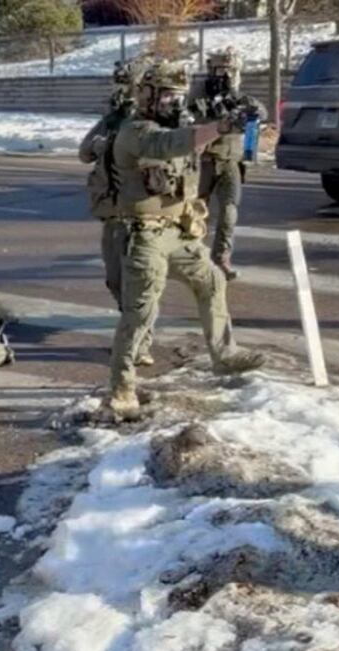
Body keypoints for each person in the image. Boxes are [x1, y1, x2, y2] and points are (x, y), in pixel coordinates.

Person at [107, 60, 265, 419]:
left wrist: (236, 114)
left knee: (212, 280)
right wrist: (221, 126)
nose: (173, 104)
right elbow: (169, 144)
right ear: (146, 96)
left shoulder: (178, 123)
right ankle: (120, 389)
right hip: (143, 235)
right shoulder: (136, 131)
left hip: (178, 233)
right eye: (165, 96)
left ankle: (224, 355)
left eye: (177, 96)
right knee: (140, 312)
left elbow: (201, 141)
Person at [80, 58, 156, 366]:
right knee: (115, 281)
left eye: (128, 85)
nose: (123, 91)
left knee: (139, 283)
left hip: (140, 215)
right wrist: (105, 140)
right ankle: (134, 331)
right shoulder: (113, 119)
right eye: (119, 84)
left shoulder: (151, 122)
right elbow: (84, 152)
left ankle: (139, 343)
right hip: (112, 214)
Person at [190, 48, 267, 280]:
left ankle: (221, 257)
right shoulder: (199, 94)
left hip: (230, 161)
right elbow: (188, 121)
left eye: (230, 70)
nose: (224, 75)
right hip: (204, 160)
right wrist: (211, 112)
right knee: (194, 210)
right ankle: (191, 255)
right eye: (220, 70)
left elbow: (260, 111)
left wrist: (244, 108)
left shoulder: (236, 97)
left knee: (228, 211)